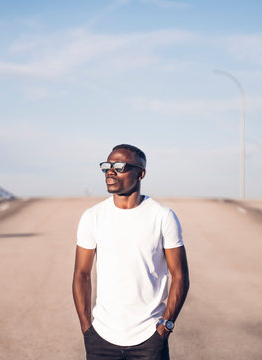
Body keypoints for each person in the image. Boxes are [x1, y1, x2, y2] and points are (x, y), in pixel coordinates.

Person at [73, 144, 190, 360]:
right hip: (101, 337)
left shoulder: (162, 216)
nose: (110, 171)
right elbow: (81, 274)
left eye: (119, 166)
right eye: (107, 166)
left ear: (140, 173)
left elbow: (180, 276)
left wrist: (165, 326)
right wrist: (87, 329)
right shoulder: (93, 216)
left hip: (150, 338)